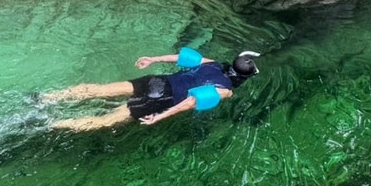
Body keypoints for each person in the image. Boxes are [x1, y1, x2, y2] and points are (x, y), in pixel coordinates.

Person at [42, 47, 260, 131]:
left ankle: (48, 97)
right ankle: (50, 124)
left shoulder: (212, 63)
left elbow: (181, 57)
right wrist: (160, 116)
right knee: (106, 120)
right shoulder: (226, 90)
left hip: (155, 81)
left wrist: (153, 59)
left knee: (102, 90)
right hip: (161, 98)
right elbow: (191, 101)